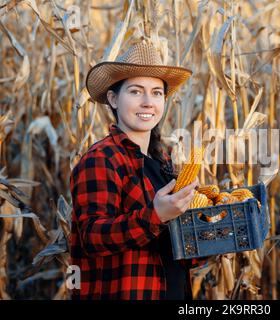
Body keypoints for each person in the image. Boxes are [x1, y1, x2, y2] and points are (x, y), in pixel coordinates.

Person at [70, 39, 201, 300]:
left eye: (156, 92)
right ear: (113, 98)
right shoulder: (102, 158)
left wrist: (205, 233)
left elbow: (174, 249)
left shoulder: (164, 162)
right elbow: (92, 237)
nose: (147, 102)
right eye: (135, 91)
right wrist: (156, 214)